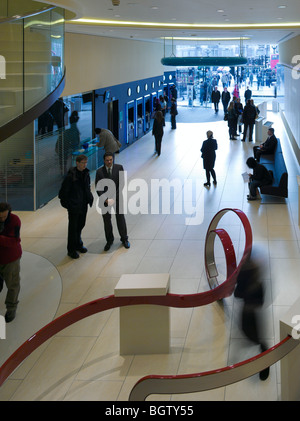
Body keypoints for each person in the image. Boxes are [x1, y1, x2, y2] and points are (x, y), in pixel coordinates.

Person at [234, 246, 269, 380]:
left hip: (250, 313)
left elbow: (237, 294)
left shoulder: (247, 278)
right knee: (251, 334)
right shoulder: (257, 283)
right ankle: (263, 351)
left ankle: (265, 357)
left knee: (255, 336)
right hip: (250, 312)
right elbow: (261, 302)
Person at [58, 154, 94, 259]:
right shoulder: (71, 177)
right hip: (74, 207)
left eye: (86, 162)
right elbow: (62, 194)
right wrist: (70, 205)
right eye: (83, 163)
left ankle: (79, 244)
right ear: (77, 163)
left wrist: (89, 197)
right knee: (73, 229)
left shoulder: (86, 173)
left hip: (83, 205)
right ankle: (71, 249)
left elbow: (87, 187)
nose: (85, 165)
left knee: (80, 225)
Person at [95, 152, 130, 251]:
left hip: (117, 198)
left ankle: (124, 239)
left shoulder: (119, 168)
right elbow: (98, 188)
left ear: (113, 159)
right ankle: (109, 241)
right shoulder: (99, 172)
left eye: (111, 160)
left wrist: (114, 198)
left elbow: (121, 184)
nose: (109, 162)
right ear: (104, 160)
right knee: (107, 221)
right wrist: (105, 199)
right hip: (105, 201)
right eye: (107, 160)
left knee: (120, 218)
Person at [0, 202, 22, 322]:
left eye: (4, 216)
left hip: (11, 259)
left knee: (12, 285)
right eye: (0, 217)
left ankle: (11, 308)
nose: (2, 219)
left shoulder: (15, 220)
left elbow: (15, 241)